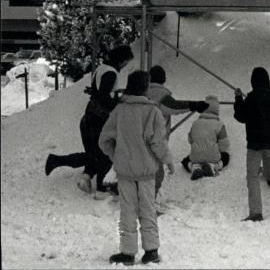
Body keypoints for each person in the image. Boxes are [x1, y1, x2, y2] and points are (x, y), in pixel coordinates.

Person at [99, 69, 174, 266]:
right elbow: (158, 142)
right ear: (145, 88)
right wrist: (167, 160)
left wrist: (116, 156)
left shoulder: (119, 111)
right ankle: (151, 251)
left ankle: (127, 252)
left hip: (124, 171)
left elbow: (104, 140)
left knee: (127, 211)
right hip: (147, 172)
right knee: (148, 210)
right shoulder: (152, 112)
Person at [45, 43, 134, 197]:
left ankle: (70, 169)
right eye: (126, 61)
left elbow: (98, 91)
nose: (126, 65)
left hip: (90, 116)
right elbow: (103, 96)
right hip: (99, 119)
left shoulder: (101, 68)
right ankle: (101, 187)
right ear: (121, 60)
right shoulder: (111, 73)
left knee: (94, 154)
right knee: (104, 154)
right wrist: (117, 103)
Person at [146, 65, 208, 200]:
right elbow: (174, 107)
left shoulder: (141, 92)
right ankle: (148, 204)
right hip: (154, 140)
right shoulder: (161, 95)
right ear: (164, 79)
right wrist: (194, 105)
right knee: (156, 174)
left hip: (137, 138)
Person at [234, 66, 270, 222]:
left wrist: (238, 99)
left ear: (253, 82)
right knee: (268, 153)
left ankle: (256, 212)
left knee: (252, 175)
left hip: (255, 141)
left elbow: (240, 116)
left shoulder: (250, 99)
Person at [182, 95, 231, 180]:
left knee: (185, 160)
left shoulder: (195, 123)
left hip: (196, 157)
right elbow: (224, 145)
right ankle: (214, 166)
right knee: (226, 157)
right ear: (217, 109)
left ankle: (194, 167)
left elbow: (190, 140)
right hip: (213, 157)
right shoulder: (219, 124)